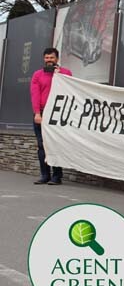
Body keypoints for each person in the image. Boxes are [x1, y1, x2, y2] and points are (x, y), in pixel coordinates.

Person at [30, 47, 72, 185]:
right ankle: (45, 175)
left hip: (57, 114)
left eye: (51, 58)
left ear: (57, 59)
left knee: (56, 145)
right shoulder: (37, 75)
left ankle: (57, 176)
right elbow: (34, 94)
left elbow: (71, 91)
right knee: (42, 146)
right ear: (44, 59)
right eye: (47, 58)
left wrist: (59, 76)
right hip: (41, 113)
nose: (49, 60)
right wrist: (37, 112)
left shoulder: (66, 73)